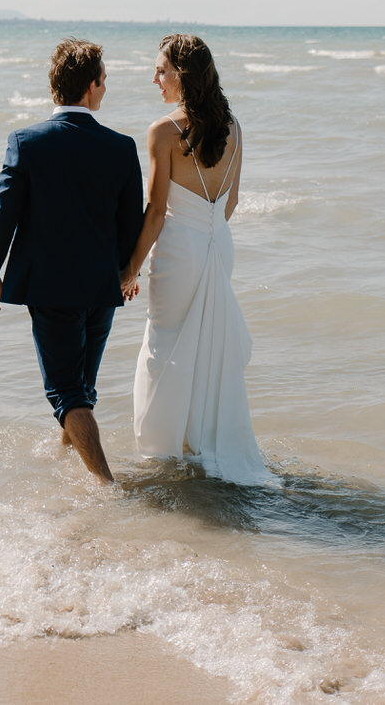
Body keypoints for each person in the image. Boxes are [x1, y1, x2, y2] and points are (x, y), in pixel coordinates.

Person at [0, 38, 144, 484]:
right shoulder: (121, 147)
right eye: (104, 81)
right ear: (90, 86)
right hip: (102, 287)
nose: (105, 89)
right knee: (81, 389)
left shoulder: (27, 142)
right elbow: (132, 223)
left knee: (69, 393)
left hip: (51, 288)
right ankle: (67, 465)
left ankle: (107, 486)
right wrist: (128, 272)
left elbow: (4, 212)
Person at [121, 34, 274, 486]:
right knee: (207, 345)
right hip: (216, 244)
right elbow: (231, 202)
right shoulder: (235, 128)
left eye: (161, 70)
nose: (155, 79)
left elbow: (154, 211)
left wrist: (130, 267)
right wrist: (206, 231)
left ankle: (163, 449)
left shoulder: (162, 132)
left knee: (163, 347)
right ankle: (199, 443)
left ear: (182, 75)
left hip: (178, 251)